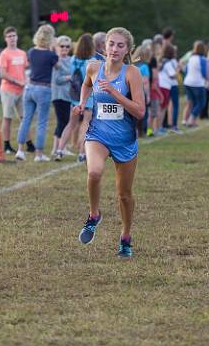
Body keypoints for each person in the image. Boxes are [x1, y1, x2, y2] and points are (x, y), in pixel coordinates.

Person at [75, 27, 145, 259]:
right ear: (104, 45)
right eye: (111, 44)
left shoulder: (131, 73)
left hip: (124, 139)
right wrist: (83, 102)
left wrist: (114, 93)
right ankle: (94, 215)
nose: (114, 49)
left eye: (120, 45)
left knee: (124, 195)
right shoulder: (93, 67)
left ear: (127, 49)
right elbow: (86, 84)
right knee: (94, 172)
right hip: (98, 134)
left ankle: (125, 238)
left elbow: (140, 111)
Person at [16, 24, 59, 161]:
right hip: (43, 89)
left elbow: (31, 63)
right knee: (41, 122)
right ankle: (39, 154)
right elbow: (57, 66)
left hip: (29, 88)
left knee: (26, 120)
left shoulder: (31, 51)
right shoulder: (51, 55)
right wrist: (54, 49)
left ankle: (20, 151)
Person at [58, 33, 97, 162]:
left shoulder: (73, 58)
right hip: (88, 95)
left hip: (74, 94)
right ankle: (82, 153)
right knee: (86, 123)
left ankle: (59, 150)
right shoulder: (91, 61)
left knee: (71, 123)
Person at [0, 27, 34, 154]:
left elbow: (26, 69)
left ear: (17, 37)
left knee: (25, 118)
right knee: (7, 118)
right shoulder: (4, 54)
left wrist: (27, 79)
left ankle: (29, 144)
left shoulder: (22, 53)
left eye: (13, 35)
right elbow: (2, 73)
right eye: (9, 36)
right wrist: (17, 81)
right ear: (5, 39)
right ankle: (6, 145)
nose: (12, 38)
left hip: (22, 90)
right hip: (8, 90)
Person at [51, 35, 73, 160]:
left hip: (69, 95)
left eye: (67, 46)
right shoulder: (56, 60)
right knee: (63, 122)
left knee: (63, 122)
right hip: (59, 95)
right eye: (62, 46)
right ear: (57, 47)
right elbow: (56, 80)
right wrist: (68, 78)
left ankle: (58, 148)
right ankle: (60, 148)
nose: (64, 48)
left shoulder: (71, 59)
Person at [183, 41, 208, 127]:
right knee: (201, 102)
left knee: (192, 102)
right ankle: (191, 119)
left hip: (187, 82)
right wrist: (208, 80)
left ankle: (189, 121)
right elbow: (204, 73)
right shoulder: (203, 59)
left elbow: (186, 70)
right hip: (197, 83)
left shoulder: (190, 58)